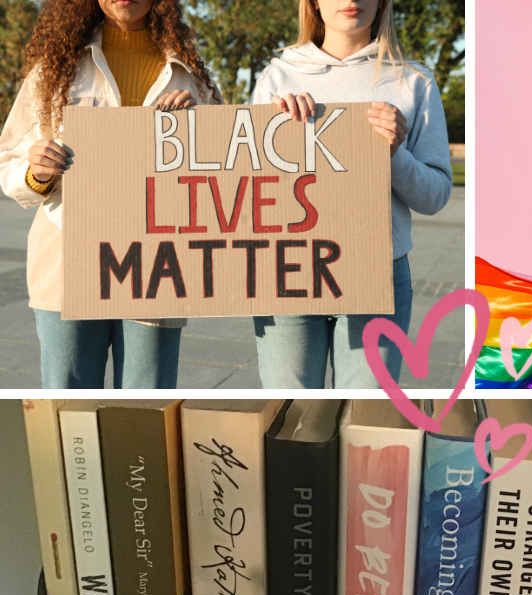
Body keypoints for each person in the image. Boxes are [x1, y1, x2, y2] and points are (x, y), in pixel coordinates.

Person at [0, 0, 222, 389]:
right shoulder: (54, 68)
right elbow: (7, 162)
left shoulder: (191, 75)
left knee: (147, 396)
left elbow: (228, 166)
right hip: (67, 258)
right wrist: (35, 173)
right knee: (68, 399)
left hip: (159, 259)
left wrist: (198, 132)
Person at [250, 0, 453, 389]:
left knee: (363, 414)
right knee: (293, 411)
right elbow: (248, 190)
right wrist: (274, 134)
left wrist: (394, 155)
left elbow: (435, 197)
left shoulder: (413, 80)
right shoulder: (277, 77)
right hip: (287, 268)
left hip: (378, 271)